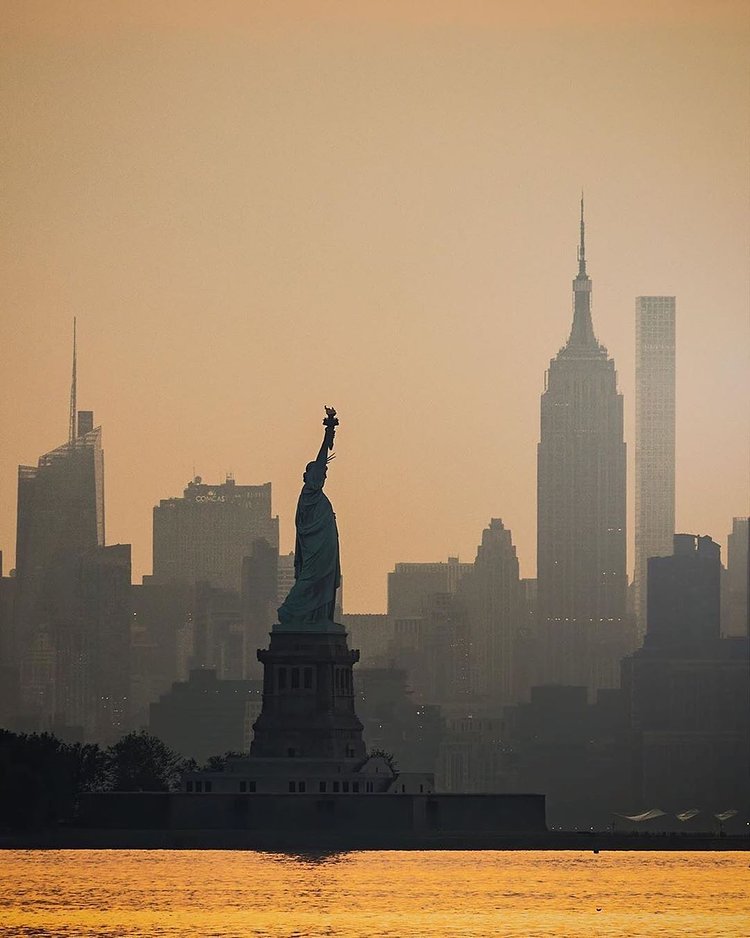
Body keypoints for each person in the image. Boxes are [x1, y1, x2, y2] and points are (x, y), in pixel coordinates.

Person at [277, 407, 341, 628]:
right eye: (320, 473)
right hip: (317, 548)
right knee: (312, 579)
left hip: (324, 546)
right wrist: (329, 430)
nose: (323, 475)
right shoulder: (310, 492)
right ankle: (289, 612)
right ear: (310, 476)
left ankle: (318, 618)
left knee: (321, 582)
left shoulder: (314, 495)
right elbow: (322, 458)